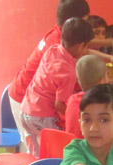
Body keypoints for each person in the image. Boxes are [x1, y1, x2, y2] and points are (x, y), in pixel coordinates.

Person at [8, 0, 90, 152]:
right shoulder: (67, 70)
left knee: (37, 152)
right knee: (53, 150)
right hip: (32, 108)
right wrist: (73, 114)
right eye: (85, 21)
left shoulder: (56, 45)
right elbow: (60, 104)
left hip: (27, 106)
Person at [21, 17, 94, 157]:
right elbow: (59, 104)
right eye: (87, 47)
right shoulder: (69, 73)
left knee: (37, 155)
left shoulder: (52, 50)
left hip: (26, 110)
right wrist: (74, 115)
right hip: (41, 117)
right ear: (81, 46)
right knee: (59, 151)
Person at [65, 54, 108, 139]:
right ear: (102, 81)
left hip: (70, 146)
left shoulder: (72, 100)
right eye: (107, 75)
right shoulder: (103, 105)